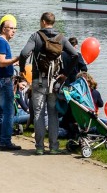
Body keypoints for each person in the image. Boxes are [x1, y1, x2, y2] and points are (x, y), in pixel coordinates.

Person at [16, 11, 72, 155]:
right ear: (53, 22)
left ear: (43, 21)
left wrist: (22, 69)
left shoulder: (36, 36)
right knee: (53, 114)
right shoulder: (61, 38)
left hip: (38, 81)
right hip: (54, 82)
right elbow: (75, 55)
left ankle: (39, 147)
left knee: (39, 113)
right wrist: (65, 73)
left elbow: (24, 53)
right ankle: (53, 147)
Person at [0, 15, 20, 150]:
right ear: (3, 29)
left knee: (2, 111)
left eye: (15, 28)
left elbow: (3, 62)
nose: (13, 31)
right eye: (11, 28)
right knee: (9, 112)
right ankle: (5, 141)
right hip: (3, 81)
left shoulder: (2, 42)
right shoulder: (1, 42)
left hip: (1, 79)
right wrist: (15, 59)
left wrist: (14, 63)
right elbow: (1, 62)